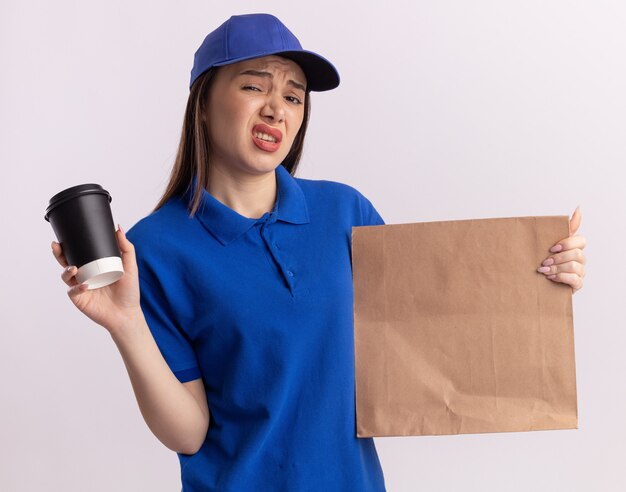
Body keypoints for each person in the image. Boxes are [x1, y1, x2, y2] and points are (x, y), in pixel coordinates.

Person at [50, 13, 587, 492]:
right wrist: (125, 324)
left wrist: (538, 279)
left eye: (293, 95)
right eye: (254, 85)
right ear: (204, 104)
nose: (276, 109)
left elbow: (438, 328)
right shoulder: (157, 247)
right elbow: (188, 433)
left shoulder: (345, 212)